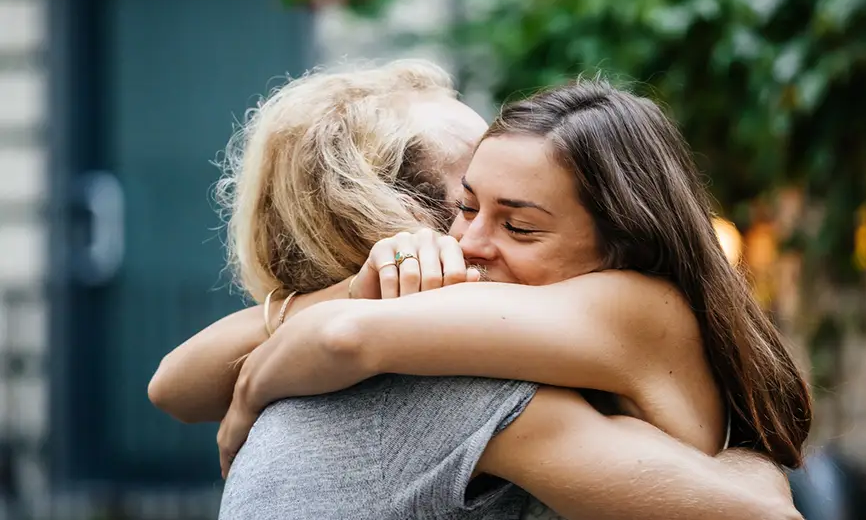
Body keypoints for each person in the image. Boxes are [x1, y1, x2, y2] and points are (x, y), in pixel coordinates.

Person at [149, 61, 807, 520]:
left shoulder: (609, 309)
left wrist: (247, 396)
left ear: (622, 235)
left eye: (518, 219)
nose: (471, 240)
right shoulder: (451, 376)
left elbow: (328, 337)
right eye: (465, 201)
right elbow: (174, 382)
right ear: (390, 216)